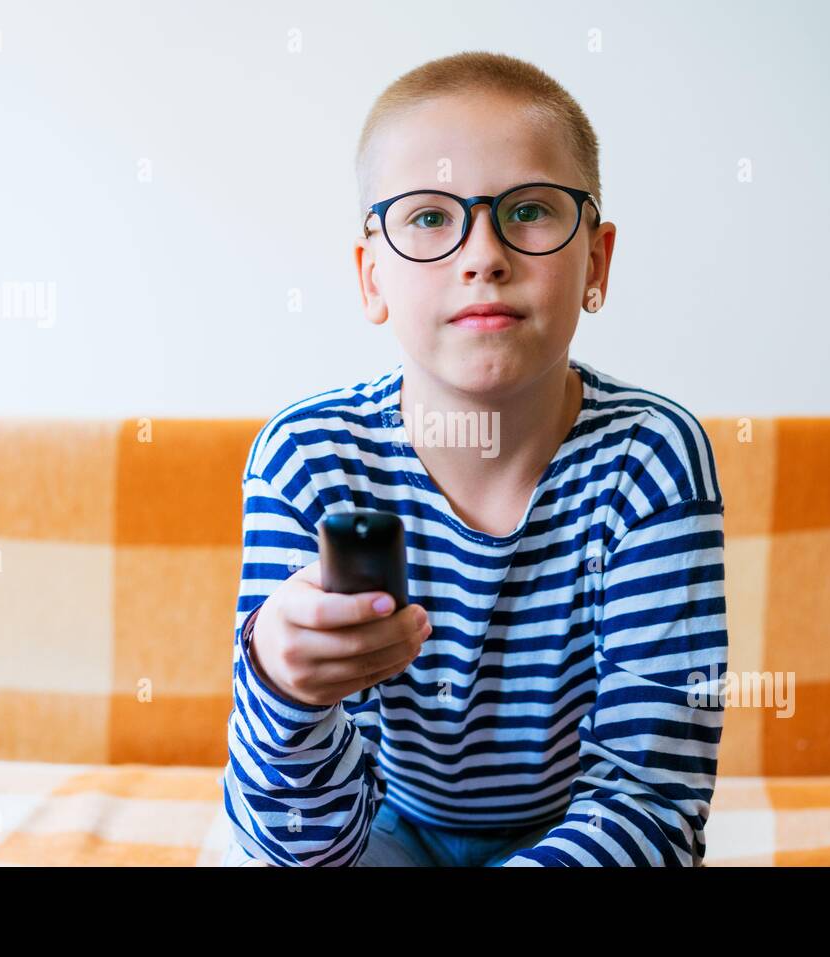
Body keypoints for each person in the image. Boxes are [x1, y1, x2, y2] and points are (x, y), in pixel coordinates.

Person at [222, 50, 727, 866]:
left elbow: (651, 802)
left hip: (579, 831)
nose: (482, 253)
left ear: (595, 263)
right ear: (371, 274)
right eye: (428, 217)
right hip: (377, 825)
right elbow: (293, 847)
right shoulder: (306, 458)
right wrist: (284, 689)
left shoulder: (655, 462)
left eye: (528, 210)